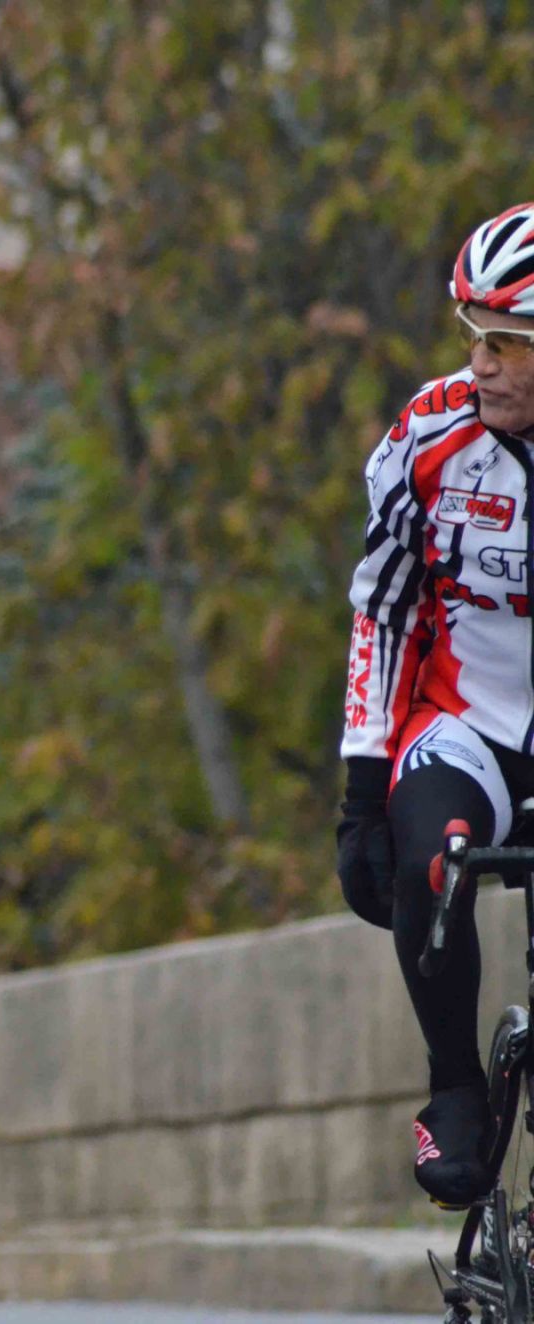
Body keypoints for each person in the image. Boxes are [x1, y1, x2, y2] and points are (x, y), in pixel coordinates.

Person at [339, 201, 534, 1209]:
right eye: (472, 337)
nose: (480, 365)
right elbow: (381, 606)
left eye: (506, 344)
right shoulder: (431, 432)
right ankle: (454, 1086)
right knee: (432, 858)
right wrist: (360, 792)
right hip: (469, 723)